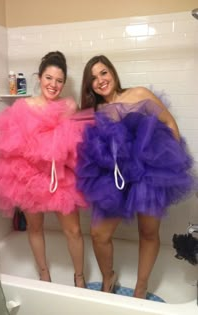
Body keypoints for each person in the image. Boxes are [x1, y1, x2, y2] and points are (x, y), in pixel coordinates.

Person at [76, 55, 196, 298]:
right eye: (93, 78)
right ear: (89, 86)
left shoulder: (139, 94)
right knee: (99, 234)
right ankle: (108, 277)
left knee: (149, 233)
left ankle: (140, 289)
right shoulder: (93, 111)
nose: (100, 80)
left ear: (113, 72)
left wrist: (167, 163)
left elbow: (169, 123)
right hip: (115, 179)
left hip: (147, 176)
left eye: (104, 73)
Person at [0, 51, 86, 288]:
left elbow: (75, 141)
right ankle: (44, 275)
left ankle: (79, 278)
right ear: (39, 78)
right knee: (35, 227)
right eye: (49, 78)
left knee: (73, 231)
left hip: (60, 177)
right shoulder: (23, 106)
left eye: (59, 80)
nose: (54, 85)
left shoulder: (69, 105)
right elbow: (12, 145)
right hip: (30, 178)